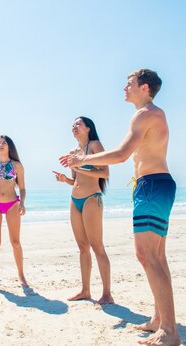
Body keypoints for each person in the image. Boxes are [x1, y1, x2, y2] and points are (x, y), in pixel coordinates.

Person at [61, 69, 179, 346]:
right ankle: (159, 320)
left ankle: (171, 332)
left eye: (129, 84)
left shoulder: (147, 113)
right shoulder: (146, 114)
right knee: (157, 256)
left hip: (152, 185)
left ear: (144, 87)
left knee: (147, 255)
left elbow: (121, 155)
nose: (124, 88)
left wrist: (80, 163)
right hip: (151, 186)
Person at [53, 116, 113, 305]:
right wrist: (66, 179)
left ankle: (107, 294)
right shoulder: (73, 152)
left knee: (97, 246)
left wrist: (78, 164)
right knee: (82, 248)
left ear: (88, 128)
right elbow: (77, 180)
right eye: (73, 124)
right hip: (75, 199)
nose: (74, 126)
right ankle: (85, 290)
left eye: (78, 124)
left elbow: (104, 173)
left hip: (91, 199)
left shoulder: (95, 145)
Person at [0, 135, 28, 289]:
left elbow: (22, 188)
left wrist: (22, 203)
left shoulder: (17, 166)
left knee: (15, 242)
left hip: (12, 204)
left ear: (9, 147)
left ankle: (21, 276)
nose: (0, 145)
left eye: (4, 143)